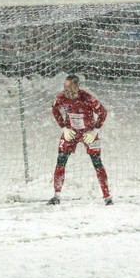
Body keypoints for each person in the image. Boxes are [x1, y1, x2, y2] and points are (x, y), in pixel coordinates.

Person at [48, 74, 113, 205]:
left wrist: (95, 131)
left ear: (77, 87)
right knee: (61, 160)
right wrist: (64, 128)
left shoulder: (88, 98)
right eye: (65, 88)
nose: (67, 92)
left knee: (97, 162)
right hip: (71, 132)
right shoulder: (61, 98)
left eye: (70, 88)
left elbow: (103, 112)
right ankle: (56, 196)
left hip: (88, 133)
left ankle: (107, 197)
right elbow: (54, 109)